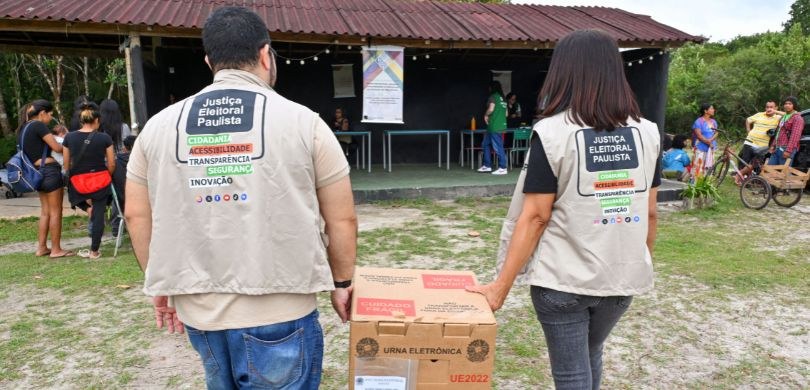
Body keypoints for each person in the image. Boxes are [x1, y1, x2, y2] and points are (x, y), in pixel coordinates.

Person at [124, 6, 357, 389]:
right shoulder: (305, 122)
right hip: (283, 308)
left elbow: (136, 215)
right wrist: (342, 281)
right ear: (266, 54)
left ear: (209, 61)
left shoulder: (158, 127)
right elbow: (342, 219)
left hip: (201, 314)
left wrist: (162, 284)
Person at [467, 29, 661, 390]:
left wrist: (499, 287)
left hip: (562, 281)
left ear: (564, 73)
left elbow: (536, 216)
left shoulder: (552, 133)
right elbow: (650, 213)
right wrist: (636, 263)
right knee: (591, 354)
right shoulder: (648, 132)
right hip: (620, 281)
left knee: (573, 372)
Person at [17, 100, 72, 258]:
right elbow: (57, 148)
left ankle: (42, 247)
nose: (50, 118)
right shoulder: (38, 126)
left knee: (45, 212)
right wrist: (67, 142)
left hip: (36, 172)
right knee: (56, 212)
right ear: (42, 113)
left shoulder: (23, 128)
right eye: (50, 115)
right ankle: (56, 249)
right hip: (49, 171)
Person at [63, 101, 115, 259]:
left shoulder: (69, 137)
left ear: (81, 121)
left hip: (79, 181)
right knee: (99, 214)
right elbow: (111, 163)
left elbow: (66, 165)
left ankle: (86, 208)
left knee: (73, 194)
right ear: (97, 121)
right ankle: (94, 251)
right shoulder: (104, 138)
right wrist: (108, 175)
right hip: (100, 179)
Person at [735, 101, 781, 184]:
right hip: (750, 141)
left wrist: (775, 112)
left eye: (771, 107)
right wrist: (748, 130)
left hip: (762, 146)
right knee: (745, 160)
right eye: (767, 107)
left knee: (755, 163)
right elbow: (748, 120)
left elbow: (791, 115)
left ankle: (745, 177)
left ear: (776, 108)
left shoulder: (778, 117)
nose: (769, 109)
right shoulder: (759, 114)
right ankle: (742, 179)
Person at [479, 81, 509, 175]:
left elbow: (491, 109)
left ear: (492, 88)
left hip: (494, 125)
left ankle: (503, 168)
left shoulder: (493, 97)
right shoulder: (503, 99)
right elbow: (507, 114)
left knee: (498, 146)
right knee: (485, 144)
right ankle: (487, 166)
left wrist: (486, 115)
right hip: (500, 125)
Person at [110, 135, 136, 237]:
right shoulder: (144, 161)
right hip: (145, 203)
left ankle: (116, 228)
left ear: (124, 148)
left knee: (115, 195)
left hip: (122, 203)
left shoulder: (114, 163)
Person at [769, 96, 803, 166]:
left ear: (794, 105)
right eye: (786, 103)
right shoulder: (783, 117)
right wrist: (773, 145)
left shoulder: (797, 118)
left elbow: (795, 136)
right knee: (769, 171)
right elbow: (778, 132)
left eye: (790, 104)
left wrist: (788, 151)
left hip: (786, 148)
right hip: (777, 147)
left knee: (783, 174)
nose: (787, 105)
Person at [692, 103, 717, 176]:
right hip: (700, 148)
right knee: (698, 167)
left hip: (710, 148)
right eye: (711, 108)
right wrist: (708, 142)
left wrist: (711, 140)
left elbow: (716, 132)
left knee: (708, 168)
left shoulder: (713, 122)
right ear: (705, 111)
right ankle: (695, 185)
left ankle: (706, 185)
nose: (713, 110)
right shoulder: (698, 121)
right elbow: (699, 136)